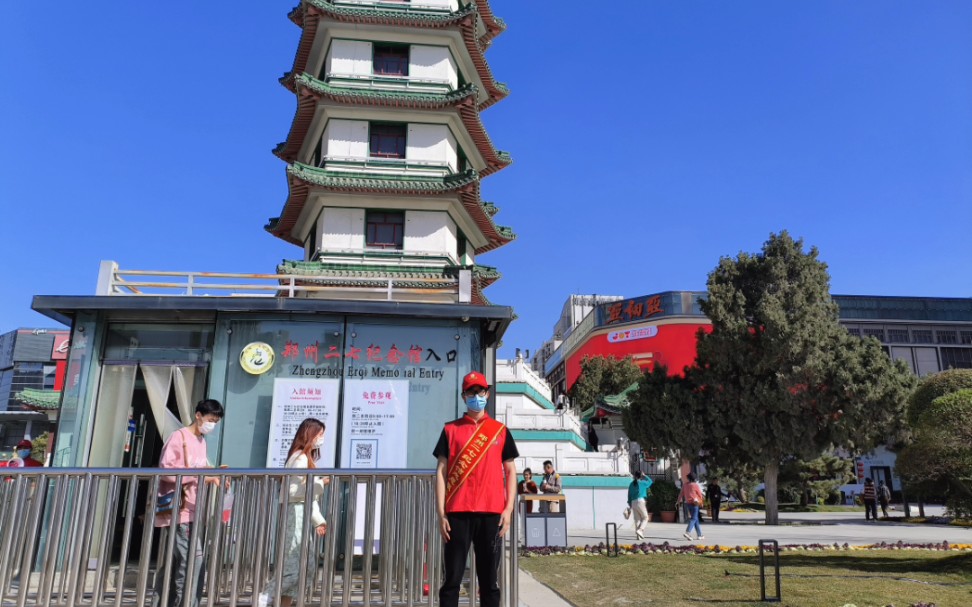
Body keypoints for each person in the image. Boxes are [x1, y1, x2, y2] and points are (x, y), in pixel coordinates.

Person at [433, 371, 518, 607]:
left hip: (492, 514)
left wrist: (508, 509)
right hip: (457, 514)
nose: (476, 396)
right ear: (463, 396)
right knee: (452, 580)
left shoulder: (500, 431)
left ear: (487, 394)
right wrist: (441, 513)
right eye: (471, 392)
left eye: (480, 391)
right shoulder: (450, 430)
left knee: (490, 582)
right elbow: (441, 471)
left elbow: (511, 471)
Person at [153, 399, 224, 607]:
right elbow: (166, 471)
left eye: (216, 421)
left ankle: (161, 602)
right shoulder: (179, 437)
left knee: (178, 561)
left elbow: (200, 467)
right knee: (193, 560)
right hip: (180, 509)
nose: (212, 424)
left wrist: (215, 473)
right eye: (210, 419)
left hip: (194, 508)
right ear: (198, 415)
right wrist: (200, 476)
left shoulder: (201, 440)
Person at [259, 418, 330, 607]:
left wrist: (318, 520)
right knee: (295, 564)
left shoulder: (303, 457)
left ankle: (280, 601)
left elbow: (304, 494)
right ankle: (266, 596)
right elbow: (293, 490)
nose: (321, 439)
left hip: (300, 511)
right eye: (320, 434)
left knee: (303, 565)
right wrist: (320, 484)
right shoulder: (299, 458)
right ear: (310, 434)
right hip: (295, 512)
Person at [677, 473, 705, 541]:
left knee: (696, 519)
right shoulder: (695, 485)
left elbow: (681, 493)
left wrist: (678, 501)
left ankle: (699, 535)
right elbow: (699, 494)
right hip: (695, 503)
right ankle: (688, 532)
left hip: (688, 504)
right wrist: (702, 502)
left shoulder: (685, 485)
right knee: (693, 518)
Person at [627, 471, 653, 540]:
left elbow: (629, 495)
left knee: (637, 519)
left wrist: (629, 504)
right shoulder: (643, 483)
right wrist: (645, 476)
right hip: (640, 501)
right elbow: (650, 481)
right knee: (645, 517)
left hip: (633, 502)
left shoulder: (631, 484)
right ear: (640, 476)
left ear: (634, 476)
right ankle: (640, 530)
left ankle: (638, 536)